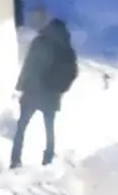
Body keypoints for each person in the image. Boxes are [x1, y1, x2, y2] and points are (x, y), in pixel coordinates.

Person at [9, 17, 78, 169]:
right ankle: (48, 157)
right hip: (52, 95)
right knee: (49, 128)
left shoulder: (40, 43)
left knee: (21, 127)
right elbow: (73, 72)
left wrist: (21, 85)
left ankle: (15, 158)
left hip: (33, 92)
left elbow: (29, 66)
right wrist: (61, 89)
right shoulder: (66, 48)